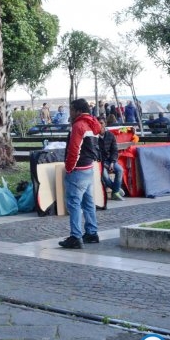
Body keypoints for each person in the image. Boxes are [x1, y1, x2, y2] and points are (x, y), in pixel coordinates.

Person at [59, 98, 102, 249]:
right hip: (89, 168)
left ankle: (76, 236)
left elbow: (74, 149)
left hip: (78, 170)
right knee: (88, 202)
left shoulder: (79, 125)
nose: (69, 113)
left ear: (77, 111)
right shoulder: (93, 124)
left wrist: (69, 168)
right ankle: (91, 232)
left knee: (74, 203)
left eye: (71, 110)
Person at [98, 119, 125, 201]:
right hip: (100, 162)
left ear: (105, 124)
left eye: (101, 123)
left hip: (110, 160)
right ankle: (116, 190)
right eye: (98, 123)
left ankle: (115, 192)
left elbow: (114, 150)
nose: (100, 125)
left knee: (120, 170)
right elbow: (95, 153)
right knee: (105, 176)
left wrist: (113, 162)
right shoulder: (94, 137)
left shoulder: (110, 135)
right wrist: (105, 164)